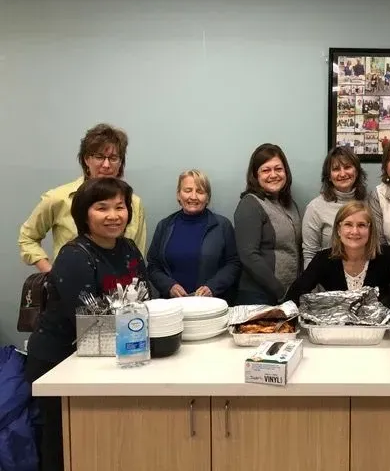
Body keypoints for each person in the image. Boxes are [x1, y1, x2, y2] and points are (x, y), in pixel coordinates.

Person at [24, 178, 149, 471]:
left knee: (102, 443)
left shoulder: (129, 248)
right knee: (64, 443)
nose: (113, 215)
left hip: (106, 356)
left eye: (120, 207)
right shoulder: (74, 255)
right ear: (84, 214)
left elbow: (145, 294)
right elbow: (90, 321)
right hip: (59, 363)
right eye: (102, 207)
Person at [18, 123, 147, 273]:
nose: (106, 165)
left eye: (113, 158)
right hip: (71, 286)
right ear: (86, 159)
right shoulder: (59, 198)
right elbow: (27, 237)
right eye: (99, 157)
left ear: (120, 162)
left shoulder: (133, 202)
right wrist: (51, 273)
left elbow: (137, 251)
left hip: (119, 289)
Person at [147, 169, 240, 302]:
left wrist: (212, 287)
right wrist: (169, 286)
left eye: (200, 191)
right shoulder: (164, 226)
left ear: (207, 197)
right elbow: (153, 266)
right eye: (188, 190)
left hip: (213, 304)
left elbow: (234, 263)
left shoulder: (222, 225)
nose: (193, 196)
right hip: (174, 306)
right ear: (178, 194)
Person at [287, 201, 390, 304]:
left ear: (370, 230)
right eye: (348, 224)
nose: (354, 231)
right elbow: (294, 295)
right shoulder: (324, 259)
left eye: (361, 225)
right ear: (338, 229)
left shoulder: (389, 256)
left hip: (381, 327)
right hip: (337, 327)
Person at [234, 144, 302, 305]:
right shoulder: (249, 204)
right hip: (259, 296)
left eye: (278, 169)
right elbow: (248, 256)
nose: (273, 175)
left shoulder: (290, 205)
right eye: (266, 170)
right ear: (255, 175)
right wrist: (280, 292)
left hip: (287, 295)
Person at [301, 147, 367, 267]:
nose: (342, 173)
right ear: (329, 176)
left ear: (356, 172)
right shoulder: (315, 208)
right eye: (336, 169)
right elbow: (310, 254)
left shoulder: (368, 202)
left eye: (347, 167)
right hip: (327, 281)